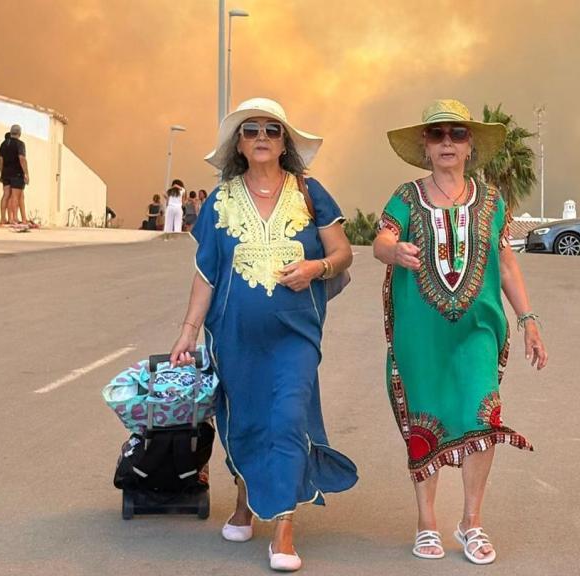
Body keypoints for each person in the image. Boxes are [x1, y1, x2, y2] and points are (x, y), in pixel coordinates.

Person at [169, 97, 356, 572]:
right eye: (250, 130)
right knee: (246, 419)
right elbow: (206, 274)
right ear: (238, 143)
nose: (261, 138)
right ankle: (244, 502)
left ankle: (284, 530)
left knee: (288, 417)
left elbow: (343, 253)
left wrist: (316, 267)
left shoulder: (310, 192)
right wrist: (188, 332)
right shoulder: (221, 200)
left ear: (284, 142)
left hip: (296, 334)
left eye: (271, 130)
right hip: (234, 336)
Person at [373, 99, 548, 565]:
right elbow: (382, 239)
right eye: (437, 134)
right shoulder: (406, 196)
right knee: (423, 420)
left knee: (481, 415)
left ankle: (472, 522)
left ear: (470, 146)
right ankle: (426, 522)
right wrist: (394, 251)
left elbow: (505, 263)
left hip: (478, 331)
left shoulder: (492, 202)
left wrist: (528, 319)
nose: (447, 142)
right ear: (425, 147)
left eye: (457, 134)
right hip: (420, 335)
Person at [0, 125, 29, 225]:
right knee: (16, 196)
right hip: (17, 173)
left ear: (11, 132)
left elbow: (1, 160)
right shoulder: (20, 144)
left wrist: (2, 173)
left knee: (6, 195)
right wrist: (26, 173)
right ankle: (14, 218)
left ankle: (3, 219)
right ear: (19, 133)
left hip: (6, 173)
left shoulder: (3, 144)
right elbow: (22, 158)